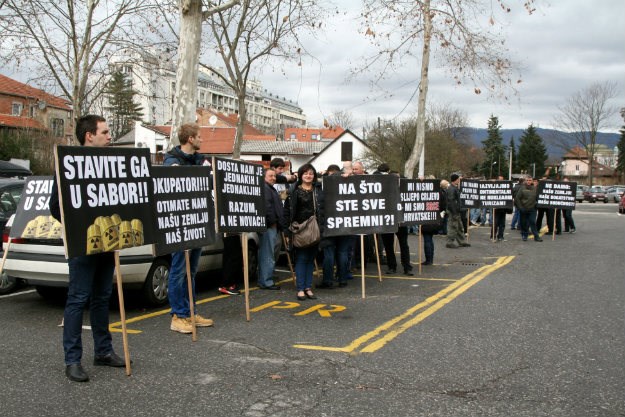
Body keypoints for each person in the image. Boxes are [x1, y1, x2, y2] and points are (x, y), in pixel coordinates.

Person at [50, 115, 126, 382]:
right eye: (105, 132)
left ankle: (103, 352)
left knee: (102, 298)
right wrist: (80, 227)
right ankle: (72, 360)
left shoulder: (113, 165)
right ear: (89, 136)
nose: (109, 136)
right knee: (78, 299)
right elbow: (55, 206)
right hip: (83, 245)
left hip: (108, 244)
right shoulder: (68, 164)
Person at [163, 123, 214, 334]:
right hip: (180, 224)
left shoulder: (201, 160)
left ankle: (190, 311)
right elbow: (176, 183)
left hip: (198, 222)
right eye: (199, 137)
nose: (202, 140)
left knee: (191, 271)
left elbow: (209, 183)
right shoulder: (171, 160)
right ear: (190, 139)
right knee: (178, 271)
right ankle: (178, 315)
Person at [283, 163, 324, 301]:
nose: (308, 175)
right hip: (299, 229)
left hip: (315, 229)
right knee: (301, 259)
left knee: (311, 260)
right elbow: (287, 212)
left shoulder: (318, 191)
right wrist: (287, 232)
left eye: (311, 173)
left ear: (314, 176)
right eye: (305, 173)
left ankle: (308, 287)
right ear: (300, 175)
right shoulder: (293, 192)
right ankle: (300, 289)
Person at [257, 168, 283, 290]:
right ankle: (266, 281)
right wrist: (273, 222)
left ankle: (266, 278)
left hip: (272, 226)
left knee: (268, 253)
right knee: (267, 255)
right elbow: (267, 208)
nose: (273, 178)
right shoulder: (265, 188)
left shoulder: (269, 188)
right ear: (264, 177)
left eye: (274, 176)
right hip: (269, 226)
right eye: (270, 176)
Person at [421, 180, 447, 265]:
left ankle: (428, 259)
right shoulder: (441, 192)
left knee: (427, 239)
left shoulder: (423, 193)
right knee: (430, 239)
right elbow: (443, 206)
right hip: (436, 218)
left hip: (426, 217)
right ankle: (430, 259)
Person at [445, 173, 471, 248]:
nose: (459, 180)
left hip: (456, 210)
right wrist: (454, 212)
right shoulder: (451, 189)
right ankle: (450, 242)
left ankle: (462, 241)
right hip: (453, 211)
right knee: (453, 226)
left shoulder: (454, 188)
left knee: (459, 227)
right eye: (458, 179)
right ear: (456, 180)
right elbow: (451, 202)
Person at [515, 177, 543, 242]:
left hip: (532, 209)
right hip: (523, 208)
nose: (528, 181)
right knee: (524, 223)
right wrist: (520, 207)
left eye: (530, 180)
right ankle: (524, 235)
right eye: (527, 180)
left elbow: (539, 197)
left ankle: (536, 236)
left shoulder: (535, 189)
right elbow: (517, 199)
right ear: (525, 181)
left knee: (532, 222)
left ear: (532, 181)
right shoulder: (522, 188)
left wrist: (537, 204)